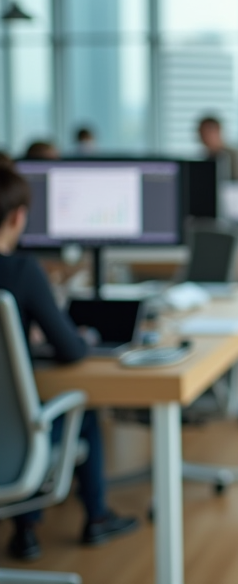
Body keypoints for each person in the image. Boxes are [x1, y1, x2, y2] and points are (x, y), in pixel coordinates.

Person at [0, 165, 139, 561]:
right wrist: (80, 337)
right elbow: (73, 353)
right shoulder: (23, 271)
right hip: (9, 440)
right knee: (84, 409)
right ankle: (94, 517)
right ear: (17, 217)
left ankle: (27, 531)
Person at [197, 114, 238, 181]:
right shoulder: (206, 157)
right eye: (200, 133)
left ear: (218, 131)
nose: (202, 137)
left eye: (205, 133)